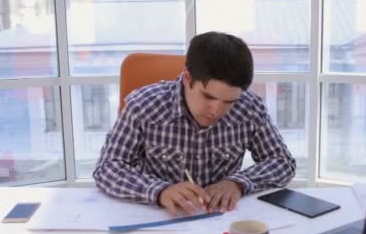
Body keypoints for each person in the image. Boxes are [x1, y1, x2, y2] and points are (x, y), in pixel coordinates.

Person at [93, 31, 296, 215]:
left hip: (221, 217)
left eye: (229, 102)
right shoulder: (143, 105)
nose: (216, 110)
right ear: (187, 78)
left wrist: (238, 183)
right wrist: (160, 190)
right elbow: (107, 167)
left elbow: (282, 161)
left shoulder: (249, 107)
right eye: (208, 97)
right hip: (160, 218)